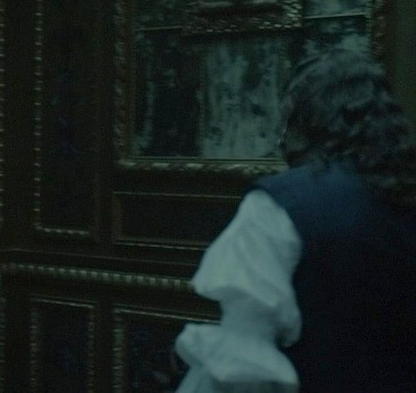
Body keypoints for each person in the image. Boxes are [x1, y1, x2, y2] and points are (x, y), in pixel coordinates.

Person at [174, 48, 416, 392]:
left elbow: (245, 366)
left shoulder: (281, 203)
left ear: (309, 121)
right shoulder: (402, 197)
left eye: (287, 120)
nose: (281, 140)